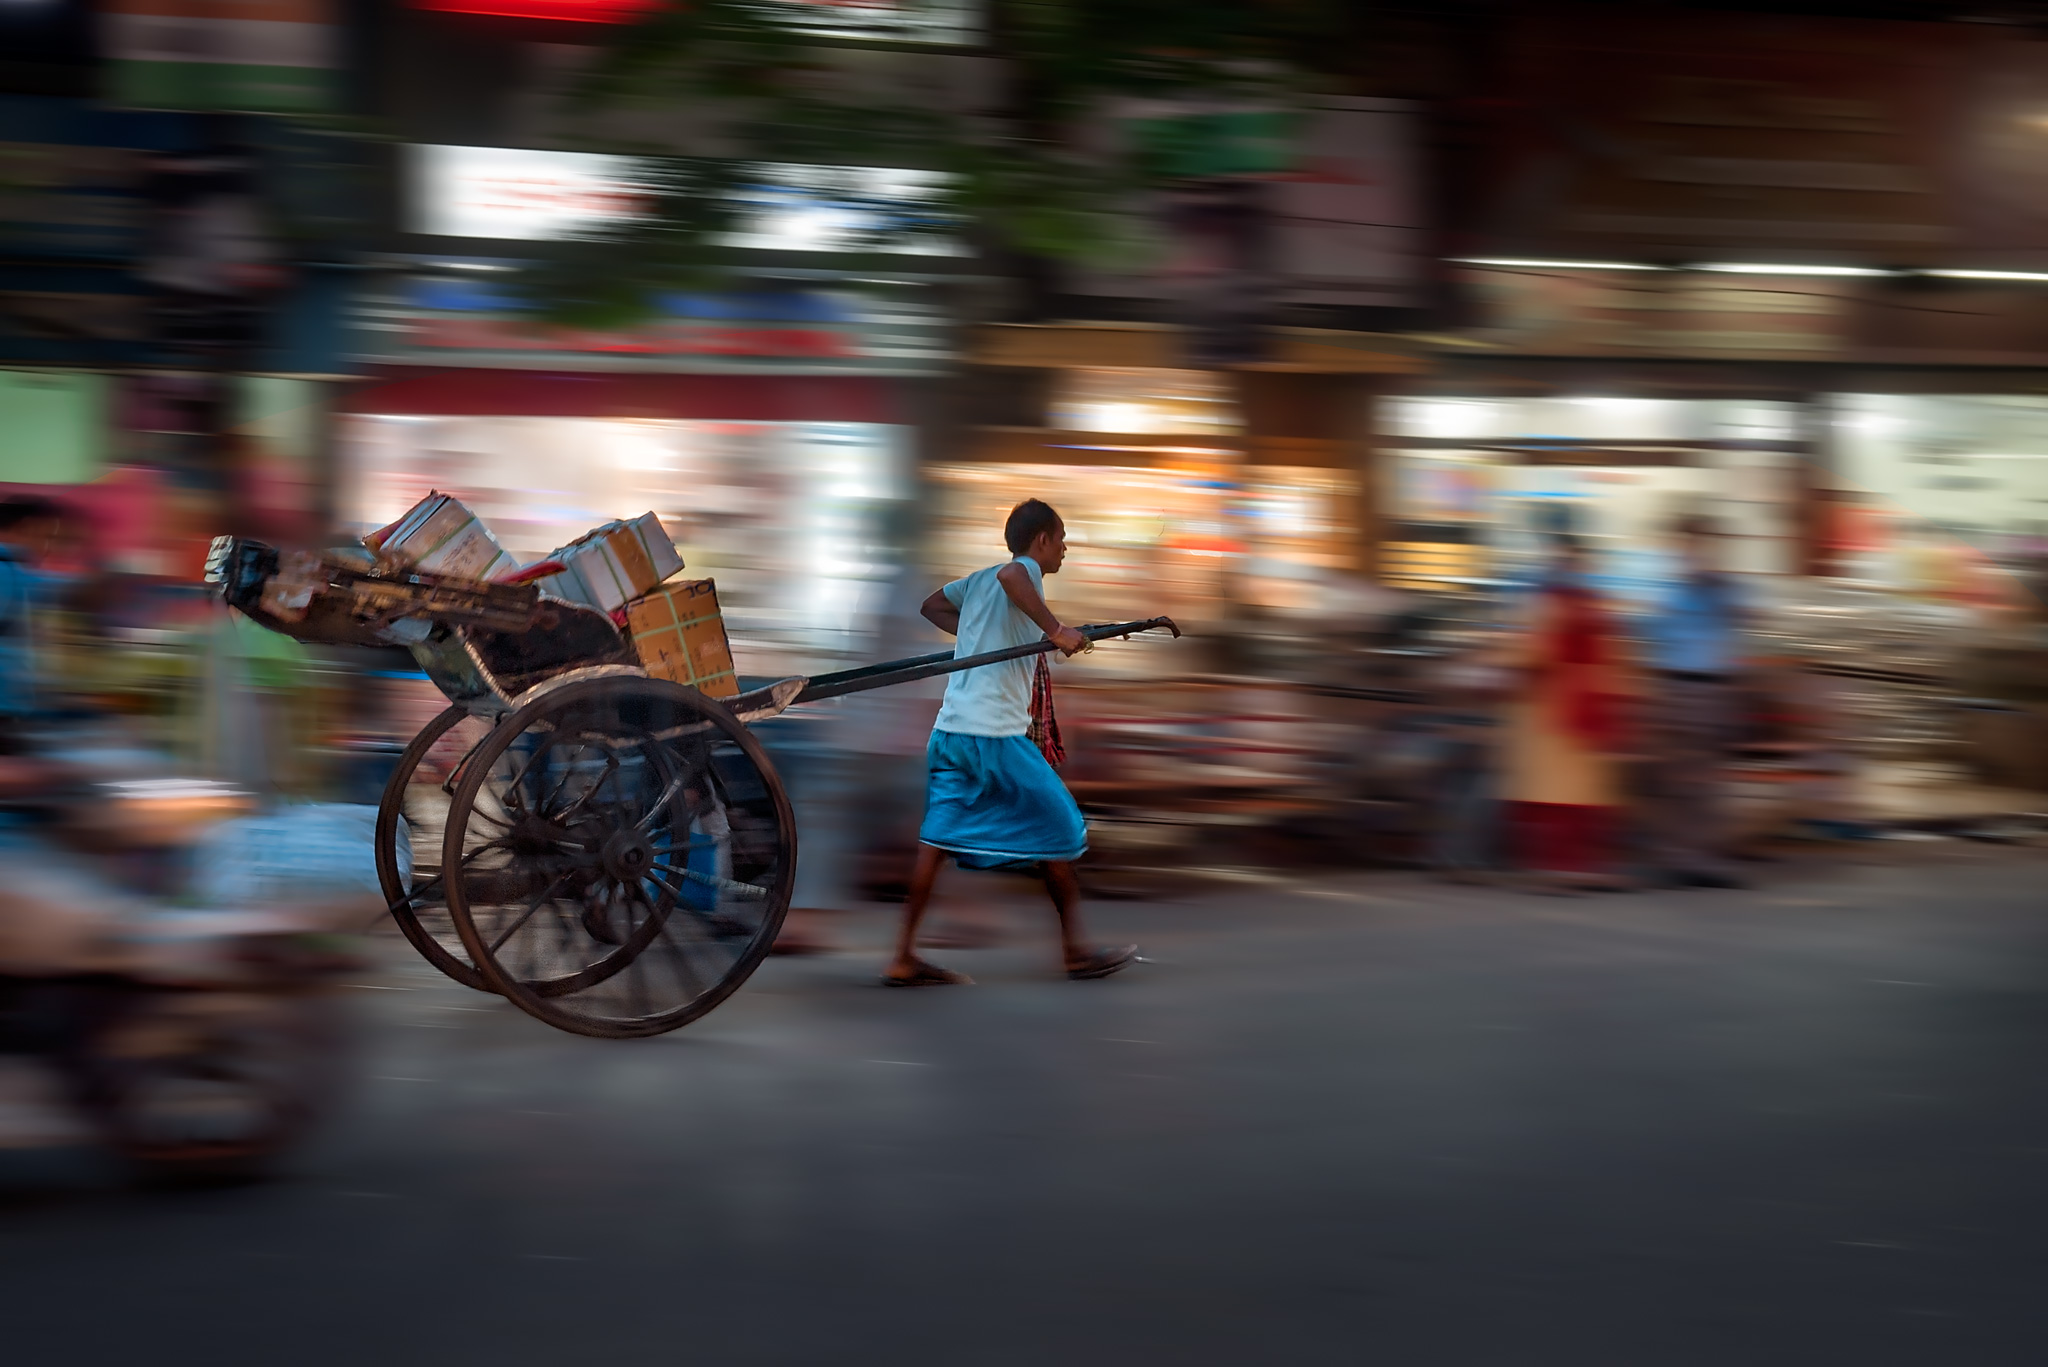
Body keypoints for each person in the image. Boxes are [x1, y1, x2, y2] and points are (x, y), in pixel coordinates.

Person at [883, 498, 1136, 986]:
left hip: (951, 731)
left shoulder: (975, 581)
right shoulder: (1020, 573)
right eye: (1061, 542)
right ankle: (1076, 953)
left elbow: (931, 605)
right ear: (1041, 540)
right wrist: (1058, 630)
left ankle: (902, 956)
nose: (1064, 551)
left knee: (934, 844)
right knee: (1063, 829)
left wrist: (979, 637)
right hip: (993, 735)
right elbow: (1013, 578)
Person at [1502, 530, 1637, 893]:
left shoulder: (1544, 603)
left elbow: (1529, 654)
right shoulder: (1601, 604)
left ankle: (1557, 864)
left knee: (1554, 794)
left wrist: (1505, 661)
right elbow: (1621, 654)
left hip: (1554, 706)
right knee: (1589, 792)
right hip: (1593, 702)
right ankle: (1584, 863)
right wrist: (1623, 696)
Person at [1639, 513, 1747, 888]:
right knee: (1679, 780)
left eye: (1704, 540)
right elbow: (1655, 637)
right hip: (1680, 684)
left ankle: (1699, 857)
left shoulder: (1722, 586)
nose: (1699, 548)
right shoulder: (1675, 584)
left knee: (1704, 781)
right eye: (1694, 540)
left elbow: (1739, 626)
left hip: (1711, 686)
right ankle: (1678, 856)